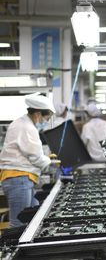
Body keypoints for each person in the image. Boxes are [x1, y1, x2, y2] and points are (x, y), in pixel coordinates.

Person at [0, 93, 59, 227]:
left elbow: (30, 153)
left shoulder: (22, 123)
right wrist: (53, 167)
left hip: (19, 179)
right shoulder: (27, 127)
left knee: (32, 217)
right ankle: (10, 248)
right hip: (19, 179)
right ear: (38, 114)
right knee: (19, 223)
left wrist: (47, 159)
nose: (45, 121)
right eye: (46, 117)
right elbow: (35, 157)